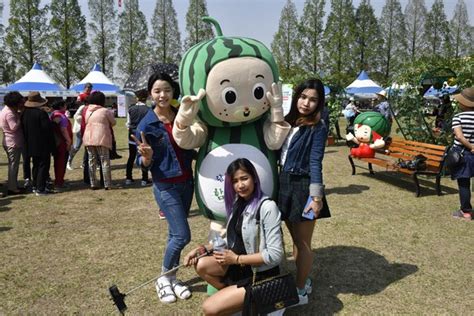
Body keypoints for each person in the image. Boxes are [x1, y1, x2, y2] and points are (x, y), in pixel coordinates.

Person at [183, 158, 283, 315]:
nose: (240, 185)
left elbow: (275, 254)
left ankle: (251, 300)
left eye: (244, 178)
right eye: (235, 181)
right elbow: (234, 240)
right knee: (201, 264)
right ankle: (238, 301)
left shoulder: (268, 207)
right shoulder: (239, 202)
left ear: (254, 178)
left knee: (209, 308)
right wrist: (202, 249)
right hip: (238, 266)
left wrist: (236, 259)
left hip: (258, 273)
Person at [133, 72, 195, 303]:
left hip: (187, 183)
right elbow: (142, 162)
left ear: (173, 92)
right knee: (182, 235)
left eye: (167, 90)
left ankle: (172, 278)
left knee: (173, 234)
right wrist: (146, 158)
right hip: (165, 185)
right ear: (150, 93)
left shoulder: (181, 114)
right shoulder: (146, 124)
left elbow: (189, 144)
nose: (162, 95)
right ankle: (163, 278)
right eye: (157, 91)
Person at [278, 78, 328, 305]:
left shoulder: (318, 127)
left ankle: (300, 290)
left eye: (313, 100)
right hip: (284, 185)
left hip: (304, 187)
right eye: (304, 97)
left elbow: (316, 161)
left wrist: (316, 197)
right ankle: (302, 279)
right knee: (295, 240)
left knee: (304, 243)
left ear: (319, 104)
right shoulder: (289, 121)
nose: (306, 103)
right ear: (297, 96)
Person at [21, 92, 55, 196]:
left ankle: (35, 186)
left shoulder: (24, 113)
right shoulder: (41, 114)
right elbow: (47, 130)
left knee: (36, 165)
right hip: (42, 144)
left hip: (29, 143)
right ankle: (40, 188)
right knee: (43, 166)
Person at [82, 91, 116, 190]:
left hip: (89, 136)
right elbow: (113, 122)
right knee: (104, 160)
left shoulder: (87, 110)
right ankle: (107, 183)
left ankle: (93, 183)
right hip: (102, 137)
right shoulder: (105, 111)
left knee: (91, 160)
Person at [450, 87, 474, 221]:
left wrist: (471, 147)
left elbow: (459, 136)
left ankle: (466, 212)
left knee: (464, 183)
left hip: (463, 153)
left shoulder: (458, 117)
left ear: (463, 103)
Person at [0, 91, 25, 195]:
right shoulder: (9, 113)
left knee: (13, 165)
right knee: (13, 166)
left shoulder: (6, 109)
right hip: (12, 142)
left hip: (10, 141)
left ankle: (13, 184)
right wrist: (20, 117)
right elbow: (13, 127)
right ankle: (12, 188)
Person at [125, 89, 150, 187]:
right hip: (144, 136)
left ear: (137, 98)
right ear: (147, 98)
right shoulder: (149, 109)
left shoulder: (131, 109)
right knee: (144, 156)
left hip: (132, 135)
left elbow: (128, 123)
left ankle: (128, 178)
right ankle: (144, 179)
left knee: (131, 157)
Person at [50, 100, 72, 188]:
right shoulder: (60, 116)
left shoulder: (53, 114)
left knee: (58, 162)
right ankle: (59, 182)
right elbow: (63, 130)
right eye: (65, 105)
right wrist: (69, 141)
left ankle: (59, 180)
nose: (66, 107)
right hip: (62, 142)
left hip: (57, 142)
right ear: (61, 106)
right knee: (61, 162)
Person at [67, 101, 87, 170]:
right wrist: (84, 117)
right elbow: (75, 116)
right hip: (80, 129)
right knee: (77, 146)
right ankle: (69, 161)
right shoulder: (83, 107)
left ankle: (84, 164)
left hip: (88, 130)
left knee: (87, 148)